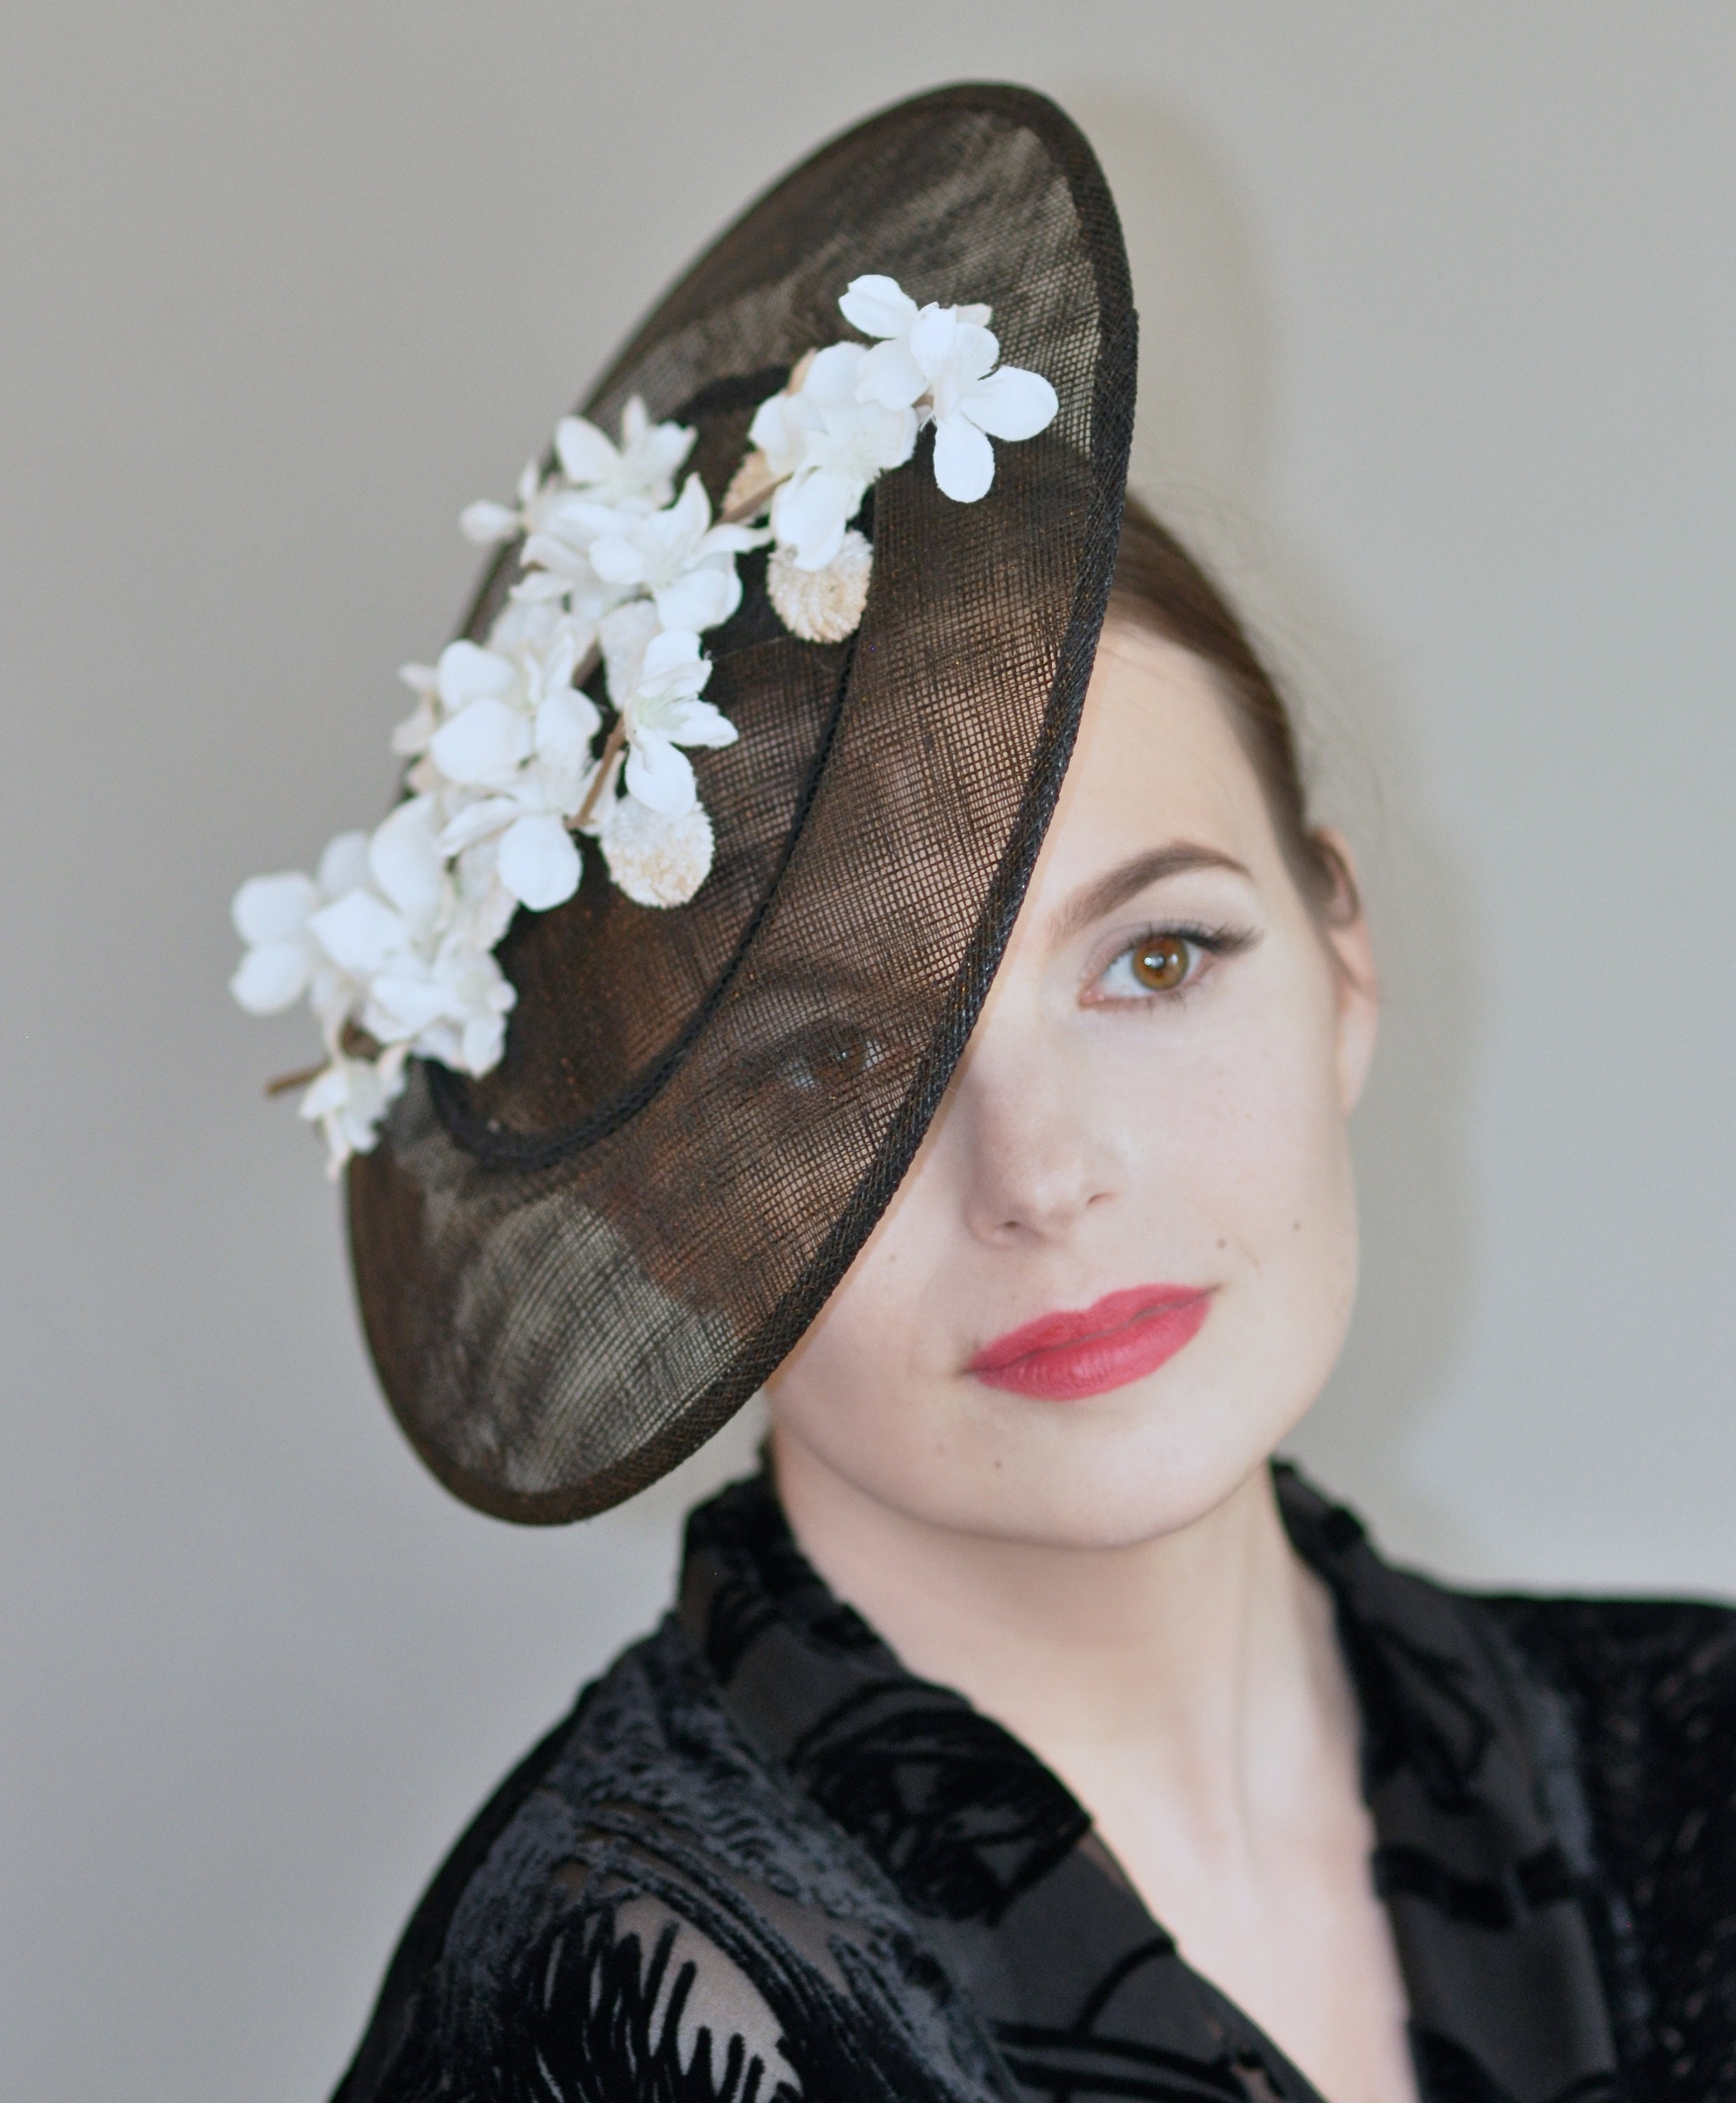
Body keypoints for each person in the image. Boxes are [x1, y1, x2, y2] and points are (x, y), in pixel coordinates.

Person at [232, 86, 1735, 2103]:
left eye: (1159, 959)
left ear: (1347, 965)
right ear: (662, 1208)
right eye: (837, 1060)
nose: (1048, 1175)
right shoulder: (617, 2018)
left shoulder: (1698, 1758)